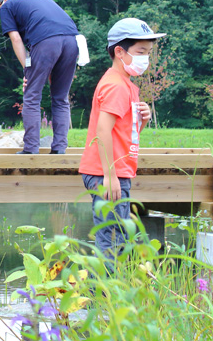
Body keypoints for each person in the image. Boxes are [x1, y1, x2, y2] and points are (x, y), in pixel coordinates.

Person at [78, 18, 165, 265]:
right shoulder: (116, 85)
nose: (145, 59)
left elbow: (124, 132)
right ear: (119, 51)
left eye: (148, 53)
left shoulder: (125, 85)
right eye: (140, 52)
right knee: (112, 239)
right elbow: (102, 129)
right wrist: (110, 174)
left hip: (115, 170)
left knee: (116, 238)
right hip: (107, 172)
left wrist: (143, 120)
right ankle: (105, 300)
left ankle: (105, 297)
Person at [0, 0, 87, 154]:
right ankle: (60, 148)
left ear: (5, 0)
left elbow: (16, 39)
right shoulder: (44, 1)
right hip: (73, 41)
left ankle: (31, 149)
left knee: (31, 96)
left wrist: (27, 70)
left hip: (46, 42)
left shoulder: (7, 6)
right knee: (60, 98)